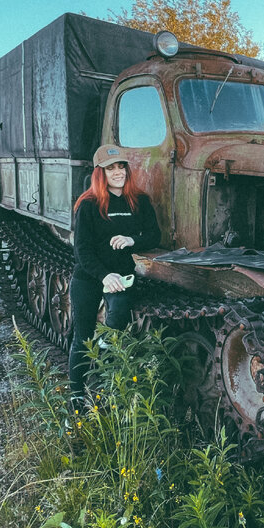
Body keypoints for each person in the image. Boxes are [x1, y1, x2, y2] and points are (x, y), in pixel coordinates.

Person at [68, 145, 161, 395]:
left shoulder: (139, 201)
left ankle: (107, 389)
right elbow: (82, 251)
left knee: (116, 328)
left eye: (121, 167)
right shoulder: (88, 204)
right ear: (101, 173)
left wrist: (132, 240)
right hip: (89, 277)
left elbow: (154, 235)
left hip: (121, 277)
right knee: (82, 340)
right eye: (111, 169)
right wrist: (104, 276)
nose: (118, 172)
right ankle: (76, 399)